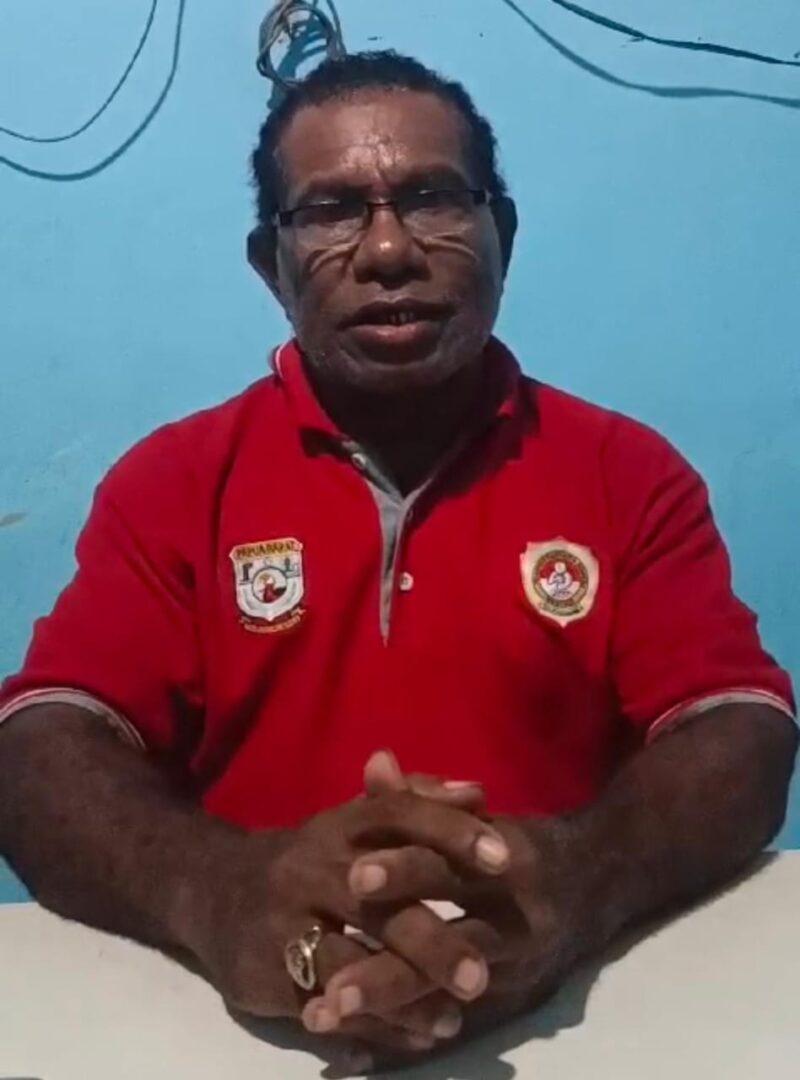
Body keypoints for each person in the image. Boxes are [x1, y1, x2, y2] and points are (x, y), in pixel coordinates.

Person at [0, 50, 796, 1076]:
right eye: (332, 210)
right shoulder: (173, 483)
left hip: (573, 1033)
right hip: (240, 1039)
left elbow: (738, 727)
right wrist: (224, 894)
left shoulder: (626, 473)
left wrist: (570, 883)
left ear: (503, 235)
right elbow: (41, 742)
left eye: (431, 198)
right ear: (269, 262)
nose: (387, 250)